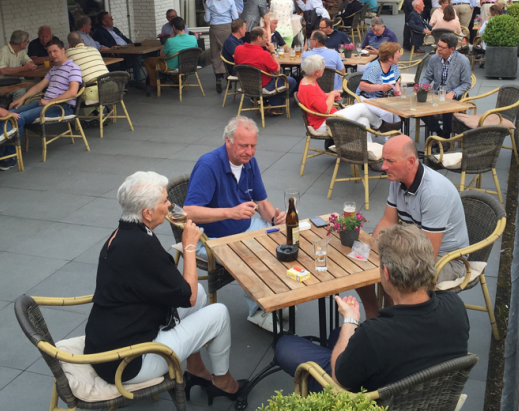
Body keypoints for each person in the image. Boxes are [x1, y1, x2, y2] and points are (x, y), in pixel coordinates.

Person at [83, 171, 245, 403]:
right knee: (218, 313)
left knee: (200, 294)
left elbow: (177, 289)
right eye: (165, 201)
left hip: (109, 341)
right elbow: (185, 295)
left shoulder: (123, 234)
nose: (171, 205)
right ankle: (223, 382)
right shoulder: (141, 247)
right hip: (127, 363)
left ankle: (196, 368)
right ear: (147, 213)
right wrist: (189, 246)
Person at [275, 223, 469, 391]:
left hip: (370, 400)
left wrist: (350, 320)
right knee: (336, 335)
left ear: (386, 272)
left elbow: (339, 379)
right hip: (433, 397)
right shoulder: (455, 307)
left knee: (285, 346)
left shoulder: (375, 333)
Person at [184, 117, 289, 331]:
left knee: (284, 239)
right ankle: (258, 311)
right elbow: (188, 212)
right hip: (211, 238)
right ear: (228, 141)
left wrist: (274, 218)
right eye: (243, 146)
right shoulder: (209, 165)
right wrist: (230, 212)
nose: (249, 152)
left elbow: (260, 201)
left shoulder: (249, 163)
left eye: (253, 146)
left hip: (245, 227)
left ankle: (275, 297)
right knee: (253, 255)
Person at [357, 135, 470, 318]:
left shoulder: (434, 193)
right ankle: (376, 315)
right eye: (383, 160)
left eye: (390, 161)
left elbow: (428, 255)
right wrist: (367, 249)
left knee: (392, 272)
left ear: (410, 161)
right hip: (414, 247)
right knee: (360, 263)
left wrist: (387, 258)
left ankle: (394, 321)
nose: (383, 166)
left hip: (448, 260)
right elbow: (387, 222)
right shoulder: (398, 179)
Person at [297, 55, 399, 144]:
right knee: (361, 107)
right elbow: (325, 110)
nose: (324, 68)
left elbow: (318, 97)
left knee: (364, 121)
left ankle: (367, 154)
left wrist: (329, 95)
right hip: (326, 124)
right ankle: (382, 126)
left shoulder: (307, 81)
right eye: (322, 67)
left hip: (328, 118)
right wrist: (332, 94)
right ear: (316, 72)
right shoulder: (310, 88)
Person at [8, 38, 82, 125]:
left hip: (62, 106)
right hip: (46, 103)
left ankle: (9, 137)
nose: (52, 55)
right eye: (49, 52)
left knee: (18, 117)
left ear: (63, 50)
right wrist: (21, 99)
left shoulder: (73, 68)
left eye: (55, 51)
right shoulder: (54, 69)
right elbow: (39, 86)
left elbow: (72, 92)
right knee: (10, 113)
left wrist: (49, 102)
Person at [420, 34, 472, 141]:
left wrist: (453, 93)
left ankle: (446, 138)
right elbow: (427, 77)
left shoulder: (463, 61)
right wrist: (423, 88)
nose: (438, 49)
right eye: (438, 46)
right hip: (436, 93)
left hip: (454, 95)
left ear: (451, 49)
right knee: (419, 106)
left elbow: (466, 84)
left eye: (442, 48)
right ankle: (439, 133)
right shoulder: (434, 59)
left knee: (447, 109)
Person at [233, 27, 297, 113]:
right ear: (259, 38)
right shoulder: (264, 54)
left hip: (245, 85)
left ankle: (267, 103)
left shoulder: (238, 49)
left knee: (273, 76)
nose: (268, 40)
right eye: (266, 37)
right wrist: (272, 51)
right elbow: (277, 71)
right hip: (263, 86)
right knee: (291, 81)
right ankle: (275, 106)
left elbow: (237, 65)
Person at [144, 17, 198, 95]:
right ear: (184, 26)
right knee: (173, 59)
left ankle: (156, 85)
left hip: (171, 67)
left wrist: (171, 37)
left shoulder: (170, 41)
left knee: (148, 61)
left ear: (173, 27)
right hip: (188, 65)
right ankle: (177, 81)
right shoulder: (193, 38)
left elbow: (162, 55)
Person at [206, 0, 239, 94]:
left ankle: (218, 77)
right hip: (226, 27)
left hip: (214, 28)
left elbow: (207, 18)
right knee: (227, 52)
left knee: (215, 54)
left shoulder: (209, 1)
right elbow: (235, 17)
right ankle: (228, 76)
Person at [357, 42, 402, 126]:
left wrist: (397, 90)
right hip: (367, 98)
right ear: (389, 58)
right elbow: (362, 86)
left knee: (398, 115)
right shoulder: (374, 67)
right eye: (397, 53)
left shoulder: (394, 65)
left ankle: (398, 137)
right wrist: (381, 87)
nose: (400, 55)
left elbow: (396, 80)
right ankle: (388, 136)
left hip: (383, 99)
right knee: (387, 113)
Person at [65, 31, 109, 107]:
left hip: (93, 93)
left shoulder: (68, 53)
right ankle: (98, 112)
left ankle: (68, 110)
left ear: (69, 44)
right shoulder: (94, 49)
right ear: (82, 41)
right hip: (111, 87)